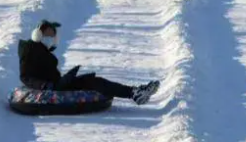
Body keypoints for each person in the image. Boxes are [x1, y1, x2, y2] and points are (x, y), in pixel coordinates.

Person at [18, 19, 159, 105]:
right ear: (38, 34)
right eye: (48, 34)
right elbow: (25, 76)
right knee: (94, 83)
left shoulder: (42, 50)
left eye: (53, 34)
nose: (51, 37)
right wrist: (45, 86)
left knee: (95, 81)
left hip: (58, 85)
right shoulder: (30, 50)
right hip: (51, 89)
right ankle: (134, 93)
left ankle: (136, 92)